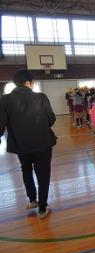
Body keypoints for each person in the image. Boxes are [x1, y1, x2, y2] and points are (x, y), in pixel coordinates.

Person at [0, 69, 57, 219]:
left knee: (26, 170)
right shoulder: (41, 97)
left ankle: (32, 200)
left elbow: (1, 124)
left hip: (21, 145)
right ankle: (43, 208)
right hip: (42, 143)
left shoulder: (5, 100)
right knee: (43, 174)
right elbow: (51, 119)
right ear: (28, 83)